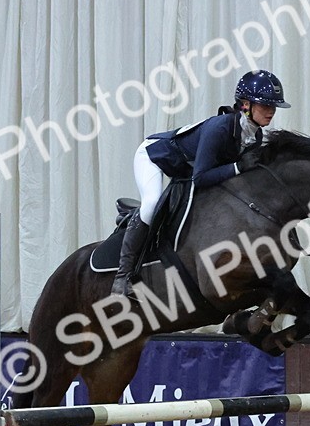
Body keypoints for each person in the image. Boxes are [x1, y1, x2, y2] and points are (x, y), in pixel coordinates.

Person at [111, 69, 291, 297]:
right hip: (154, 157)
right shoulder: (220, 128)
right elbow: (201, 178)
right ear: (246, 105)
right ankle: (122, 276)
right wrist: (238, 167)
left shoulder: (254, 137)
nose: (271, 111)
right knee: (151, 204)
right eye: (265, 105)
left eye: (273, 106)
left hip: (184, 169)